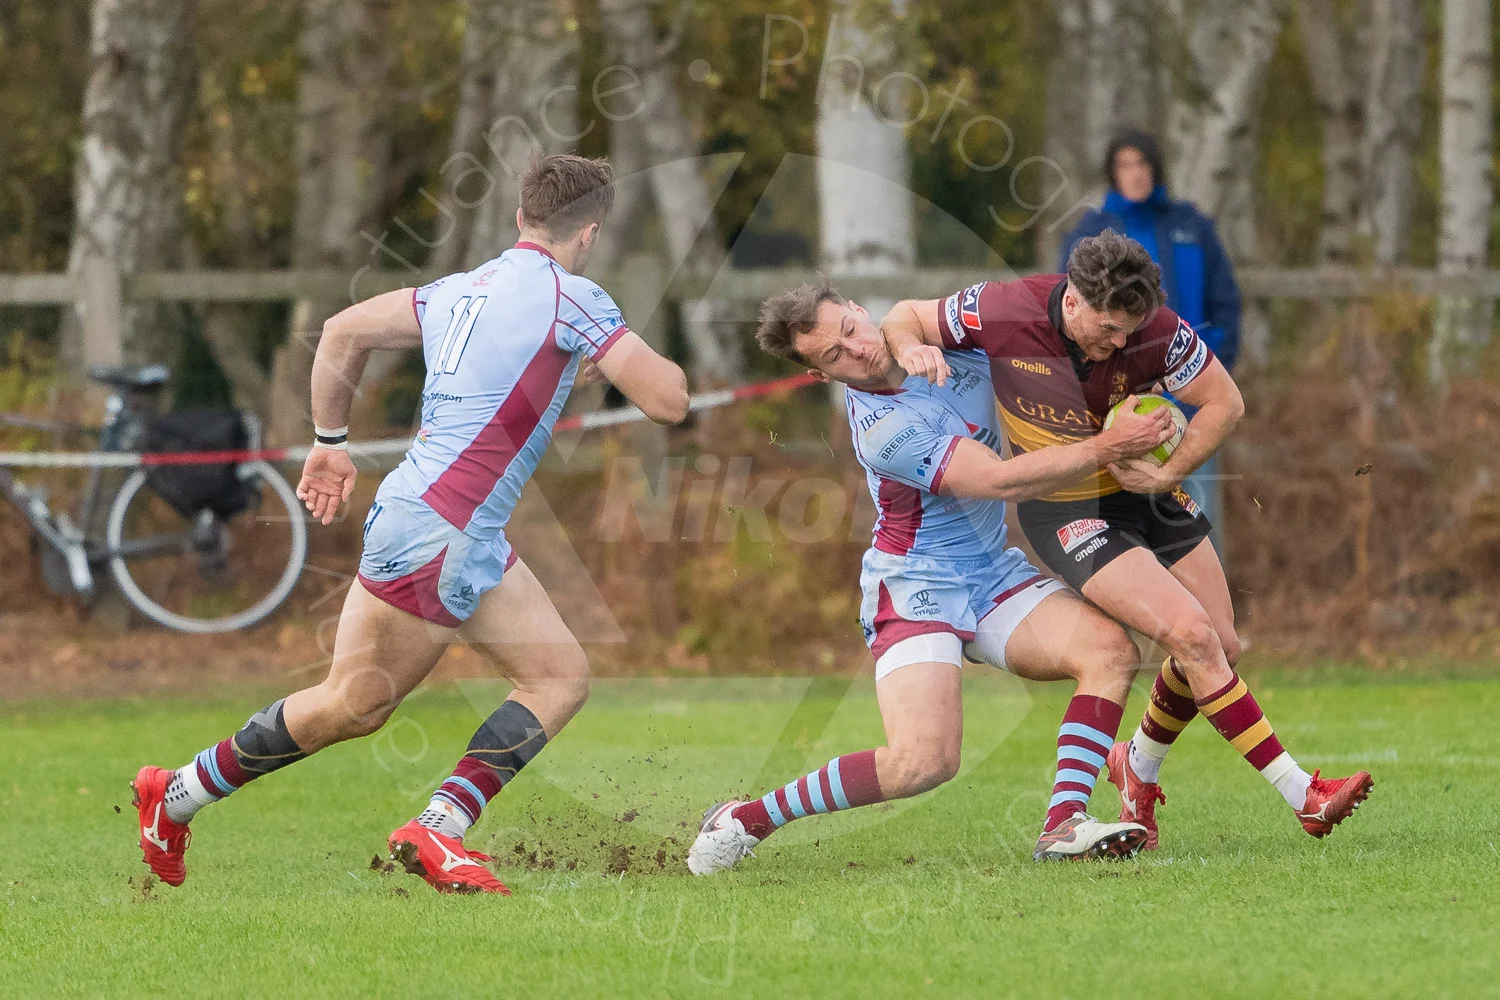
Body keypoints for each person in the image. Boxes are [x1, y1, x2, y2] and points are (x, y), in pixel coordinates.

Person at [130, 154, 690, 895]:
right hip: (444, 531)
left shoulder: (456, 290)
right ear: (587, 234)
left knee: (555, 677)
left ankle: (419, 826)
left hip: (442, 522)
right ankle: (185, 796)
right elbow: (670, 400)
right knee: (355, 705)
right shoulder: (575, 297)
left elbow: (340, 331)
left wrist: (331, 444)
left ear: (520, 218)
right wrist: (609, 348)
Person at [878, 232, 1373, 849]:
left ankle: (1134, 769)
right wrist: (909, 348)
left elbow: (1225, 401)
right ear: (1074, 301)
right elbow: (905, 316)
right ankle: (1305, 796)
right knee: (1190, 637)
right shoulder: (1005, 309)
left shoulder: (1156, 330)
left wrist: (1168, 472)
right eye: (1109, 327)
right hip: (1067, 510)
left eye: (1128, 329)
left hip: (1148, 493)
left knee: (1219, 643)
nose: (1119, 342)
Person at [687, 281, 1179, 874]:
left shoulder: (946, 343)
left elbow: (1015, 330)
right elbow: (999, 481)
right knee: (922, 763)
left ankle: (1064, 823)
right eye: (833, 356)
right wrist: (1109, 446)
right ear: (818, 375)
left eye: (850, 330)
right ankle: (746, 820)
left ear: (857, 309)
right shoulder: (881, 431)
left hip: (992, 572)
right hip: (917, 584)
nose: (857, 350)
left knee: (1108, 650)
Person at [1060, 128, 1241, 549]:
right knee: (1121, 523)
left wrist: (1210, 374)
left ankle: (1205, 612)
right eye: (1125, 165)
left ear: (1156, 169)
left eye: (1142, 164)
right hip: (1120, 410)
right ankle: (1137, 609)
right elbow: (1073, 320)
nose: (1135, 174)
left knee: (1197, 517)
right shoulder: (1092, 233)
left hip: (1191, 405)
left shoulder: (1191, 227)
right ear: (1112, 173)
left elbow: (1226, 306)